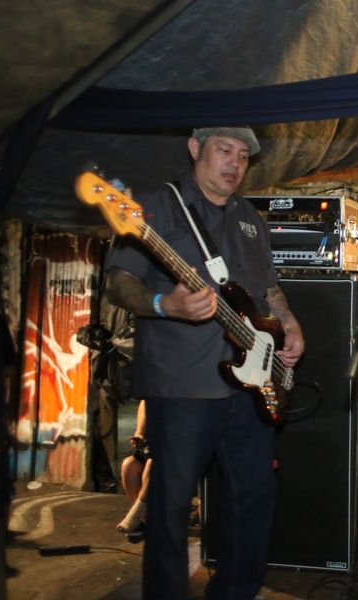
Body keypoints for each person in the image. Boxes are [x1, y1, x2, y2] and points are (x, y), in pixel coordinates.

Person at [105, 126, 304, 600]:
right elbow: (119, 282)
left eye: (243, 156)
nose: (235, 163)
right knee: (171, 504)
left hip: (251, 385)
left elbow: (268, 288)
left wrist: (290, 323)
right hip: (182, 383)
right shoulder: (155, 205)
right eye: (224, 150)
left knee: (253, 496)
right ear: (196, 148)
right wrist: (164, 304)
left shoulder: (249, 217)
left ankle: (236, 591)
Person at [116, 399, 150, 542]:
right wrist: (139, 436)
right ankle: (145, 519)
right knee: (128, 466)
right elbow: (140, 432)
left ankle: (136, 514)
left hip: (177, 454)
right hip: (153, 449)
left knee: (154, 463)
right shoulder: (149, 401)